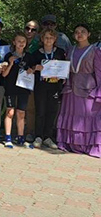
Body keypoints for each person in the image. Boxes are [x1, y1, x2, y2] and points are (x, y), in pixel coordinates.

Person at [56, 24, 101, 157]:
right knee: (72, 115)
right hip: (70, 88)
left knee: (87, 116)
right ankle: (70, 143)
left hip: (88, 89)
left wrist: (99, 91)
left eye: (83, 31)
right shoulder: (71, 49)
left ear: (89, 34)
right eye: (76, 32)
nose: (79, 34)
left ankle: (87, 145)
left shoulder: (95, 51)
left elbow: (99, 72)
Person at [31, 29, 66, 149]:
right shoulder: (36, 53)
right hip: (41, 86)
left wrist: (62, 75)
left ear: (55, 39)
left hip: (55, 86)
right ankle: (38, 136)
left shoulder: (60, 52)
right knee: (40, 111)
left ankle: (48, 137)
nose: (48, 40)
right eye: (46, 37)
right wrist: (35, 67)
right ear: (42, 39)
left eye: (51, 37)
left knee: (52, 111)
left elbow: (64, 68)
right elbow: (31, 69)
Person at [1, 32, 34, 148]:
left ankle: (21, 137)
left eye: (23, 41)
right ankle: (8, 138)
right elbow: (4, 74)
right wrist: (10, 63)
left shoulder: (29, 56)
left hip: (23, 88)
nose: (21, 43)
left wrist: (31, 70)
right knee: (10, 112)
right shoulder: (8, 55)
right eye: (19, 41)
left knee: (21, 113)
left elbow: (33, 70)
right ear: (14, 42)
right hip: (10, 87)